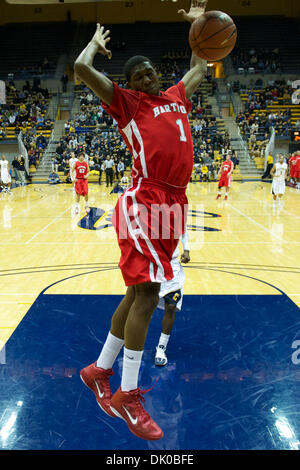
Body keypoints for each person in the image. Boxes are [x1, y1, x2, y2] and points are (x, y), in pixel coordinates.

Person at [75, 0, 207, 441]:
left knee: (138, 294)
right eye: (139, 76)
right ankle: (127, 395)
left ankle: (99, 370)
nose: (148, 78)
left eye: (151, 72)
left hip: (173, 202)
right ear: (128, 85)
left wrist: (198, 27)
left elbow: (201, 67)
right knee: (150, 294)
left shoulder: (174, 96)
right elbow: (79, 68)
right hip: (144, 199)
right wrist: (93, 45)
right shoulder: (128, 104)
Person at [154, 231, 190, 367]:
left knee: (170, 307)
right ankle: (133, 346)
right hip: (151, 265)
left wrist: (186, 249)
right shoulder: (146, 211)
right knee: (143, 306)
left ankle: (161, 347)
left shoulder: (176, 211)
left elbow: (183, 229)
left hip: (172, 267)